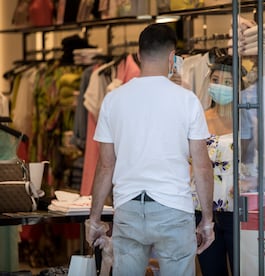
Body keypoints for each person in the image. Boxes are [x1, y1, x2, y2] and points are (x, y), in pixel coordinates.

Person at [86, 23, 215, 275]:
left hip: (129, 208)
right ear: (172, 57)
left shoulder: (113, 100)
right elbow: (201, 165)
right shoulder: (187, 100)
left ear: (138, 54)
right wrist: (207, 221)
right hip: (173, 208)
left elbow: (105, 166)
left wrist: (94, 218)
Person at [192, 55, 256, 276]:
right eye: (216, 79)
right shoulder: (198, 118)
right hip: (202, 211)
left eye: (228, 83)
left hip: (237, 210)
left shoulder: (247, 120)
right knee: (211, 271)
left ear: (239, 86)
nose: (220, 86)